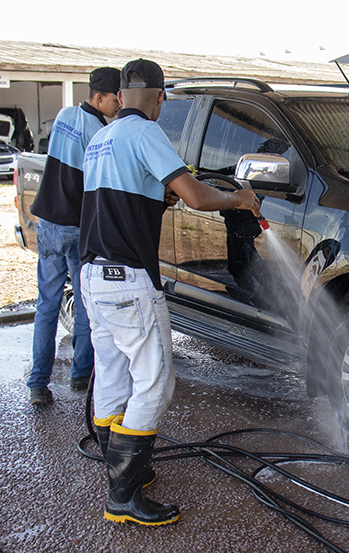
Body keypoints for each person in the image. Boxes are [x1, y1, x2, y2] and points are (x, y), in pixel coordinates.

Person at [79, 59, 259, 527]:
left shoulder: (101, 138)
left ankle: (123, 470)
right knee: (156, 383)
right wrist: (239, 199)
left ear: (120, 95)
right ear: (160, 97)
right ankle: (123, 496)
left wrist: (157, 199)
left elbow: (114, 203)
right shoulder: (146, 133)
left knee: (112, 373)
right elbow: (197, 196)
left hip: (93, 276)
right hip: (128, 280)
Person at [25, 67, 121, 406]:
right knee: (84, 306)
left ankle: (38, 384)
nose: (119, 104)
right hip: (76, 228)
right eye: (115, 98)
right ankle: (81, 375)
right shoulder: (100, 132)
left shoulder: (65, 115)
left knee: (46, 306)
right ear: (99, 97)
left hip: (47, 224)